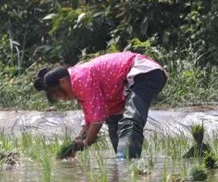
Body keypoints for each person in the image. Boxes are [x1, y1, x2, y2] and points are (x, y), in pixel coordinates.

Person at [33, 51, 167, 159]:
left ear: (63, 82)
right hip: (123, 87)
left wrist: (86, 143)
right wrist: (76, 143)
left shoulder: (80, 78)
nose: (63, 99)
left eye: (59, 95)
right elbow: (90, 119)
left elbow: (97, 119)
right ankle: (123, 167)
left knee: (130, 121)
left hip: (143, 73)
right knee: (114, 125)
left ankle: (126, 165)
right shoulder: (78, 84)